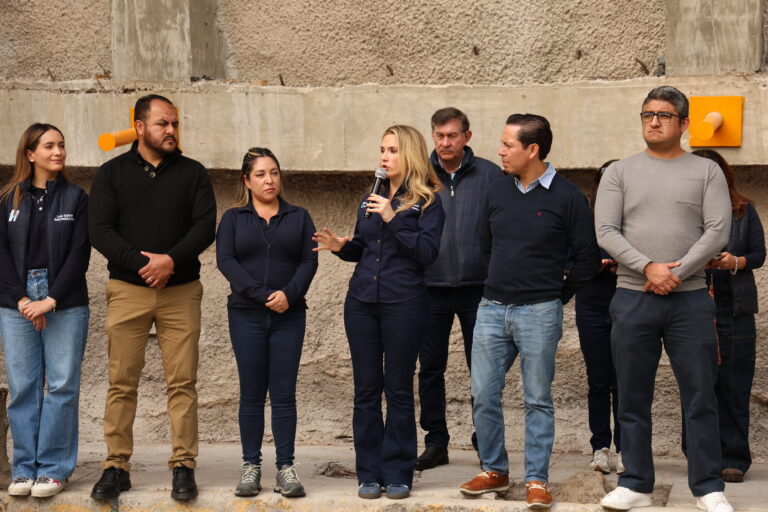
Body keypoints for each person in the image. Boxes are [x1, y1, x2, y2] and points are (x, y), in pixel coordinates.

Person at [595, 86, 734, 512]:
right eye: (647, 114)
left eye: (664, 115)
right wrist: (649, 268)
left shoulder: (706, 172)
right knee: (632, 395)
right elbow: (606, 232)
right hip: (633, 298)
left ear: (684, 123)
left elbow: (717, 232)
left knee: (700, 396)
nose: (654, 121)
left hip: (690, 301)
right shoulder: (619, 172)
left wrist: (676, 272)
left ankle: (708, 487)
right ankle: (635, 481)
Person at [459, 114, 600, 510]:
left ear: (533, 149)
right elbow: (486, 247)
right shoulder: (496, 192)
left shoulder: (568, 197)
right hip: (491, 309)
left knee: (537, 398)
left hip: (540, 311)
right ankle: (494, 471)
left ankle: (536, 479)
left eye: (508, 145)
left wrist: (555, 296)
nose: (500, 151)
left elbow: (587, 260)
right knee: (482, 393)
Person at [88, 94, 217, 501]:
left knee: (183, 383)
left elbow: (204, 227)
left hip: (180, 291)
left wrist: (170, 262)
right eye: (163, 124)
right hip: (127, 290)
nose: (172, 131)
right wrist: (144, 266)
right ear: (140, 127)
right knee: (121, 382)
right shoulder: (111, 174)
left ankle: (183, 465)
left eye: (175, 124)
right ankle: (116, 465)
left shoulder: (194, 173)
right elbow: (100, 230)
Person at [313, 125, 445, 500]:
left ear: (410, 155)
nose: (384, 157)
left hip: (404, 303)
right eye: (381, 150)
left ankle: (399, 471)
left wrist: (392, 216)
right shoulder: (370, 196)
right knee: (366, 390)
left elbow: (426, 253)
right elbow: (364, 247)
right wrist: (341, 246)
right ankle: (368, 473)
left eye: (392, 150)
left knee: (399, 389)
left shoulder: (429, 201)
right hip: (362, 303)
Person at [217, 147, 318, 498]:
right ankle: (250, 467)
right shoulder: (233, 219)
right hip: (246, 315)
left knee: (285, 394)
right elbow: (226, 261)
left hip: (290, 316)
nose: (269, 180)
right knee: (251, 394)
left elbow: (309, 261)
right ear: (247, 180)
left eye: (274, 172)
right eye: (260, 174)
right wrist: (262, 295)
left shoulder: (299, 217)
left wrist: (289, 294)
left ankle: (286, 468)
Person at [0, 124, 90, 498]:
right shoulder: (8, 199)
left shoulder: (76, 198)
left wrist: (50, 300)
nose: (59, 152)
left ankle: (53, 469)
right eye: (50, 146)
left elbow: (79, 253)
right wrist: (23, 300)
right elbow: (1, 255)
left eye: (62, 145)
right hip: (15, 302)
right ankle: (24, 467)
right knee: (23, 388)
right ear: (30, 153)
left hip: (64, 301)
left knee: (63, 386)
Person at [415, 107, 502, 471]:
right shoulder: (418, 175)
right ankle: (436, 442)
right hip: (429, 286)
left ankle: (486, 440)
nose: (445, 142)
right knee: (430, 368)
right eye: (439, 135)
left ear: (467, 136)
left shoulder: (492, 175)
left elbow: (504, 228)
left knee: (481, 369)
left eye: (452, 135)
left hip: (478, 288)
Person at [685, 149, 764, 483]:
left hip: (734, 308)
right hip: (690, 306)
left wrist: (735, 261)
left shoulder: (744, 211)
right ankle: (699, 454)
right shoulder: (682, 212)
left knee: (734, 384)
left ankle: (733, 457)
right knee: (697, 385)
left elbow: (759, 254)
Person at [574, 160, 622, 475]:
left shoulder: (637, 219)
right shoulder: (583, 219)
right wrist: (594, 264)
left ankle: (628, 448)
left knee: (626, 381)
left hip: (628, 302)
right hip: (591, 304)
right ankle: (600, 447)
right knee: (598, 381)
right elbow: (569, 261)